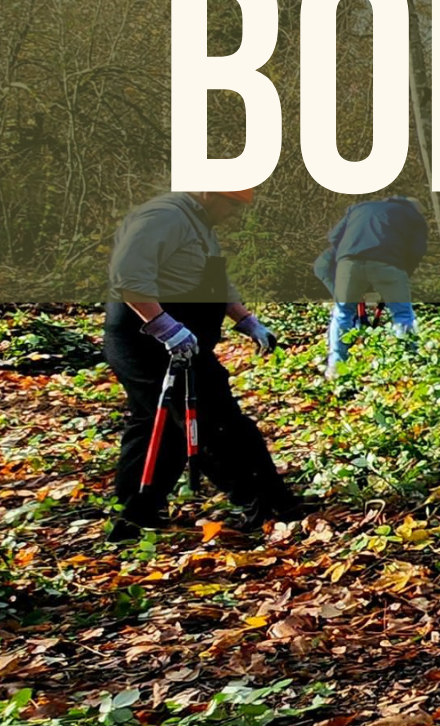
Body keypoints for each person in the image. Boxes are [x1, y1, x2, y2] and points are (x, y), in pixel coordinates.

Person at [103, 186, 304, 535]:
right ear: (208, 192)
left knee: (157, 427)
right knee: (215, 421)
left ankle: (134, 515)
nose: (234, 214)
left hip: (178, 342)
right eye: (232, 204)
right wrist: (163, 327)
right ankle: (265, 502)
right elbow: (127, 274)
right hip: (148, 343)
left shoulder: (196, 222)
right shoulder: (163, 217)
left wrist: (245, 319)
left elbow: (212, 280)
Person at [316, 194, 429, 376]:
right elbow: (417, 251)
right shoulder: (413, 217)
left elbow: (334, 237)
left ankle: (335, 368)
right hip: (388, 263)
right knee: (402, 313)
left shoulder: (360, 207)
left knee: (343, 312)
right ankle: (408, 364)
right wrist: (403, 274)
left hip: (348, 261)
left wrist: (347, 256)